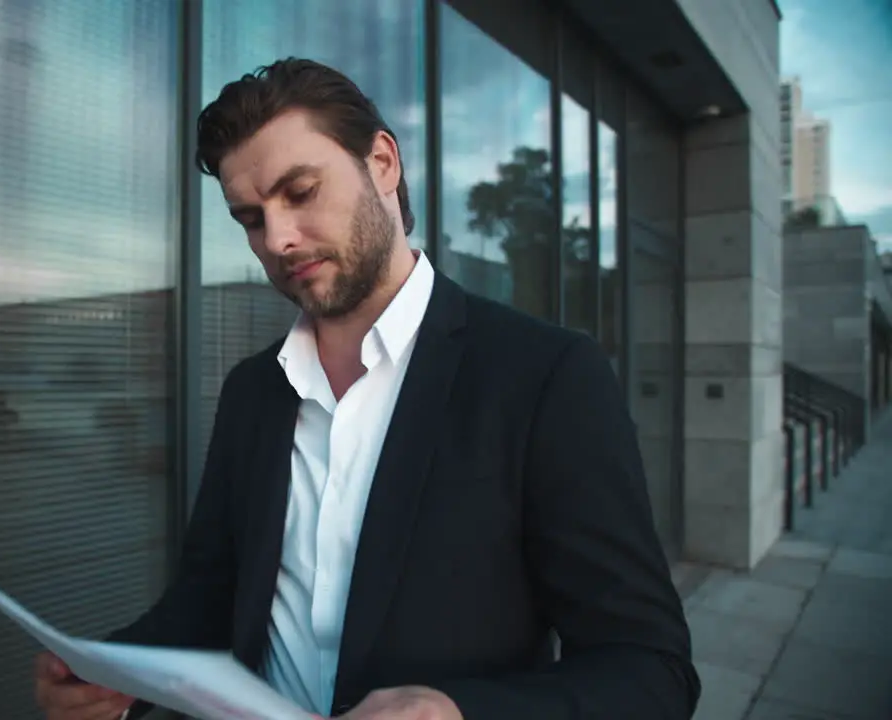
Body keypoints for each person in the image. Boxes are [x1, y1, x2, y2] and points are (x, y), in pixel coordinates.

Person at [35, 58, 699, 720]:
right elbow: (211, 595)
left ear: (382, 163)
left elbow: (649, 670)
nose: (278, 238)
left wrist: (458, 713)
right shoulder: (253, 391)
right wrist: (113, 674)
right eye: (249, 218)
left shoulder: (546, 377)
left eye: (300, 192)